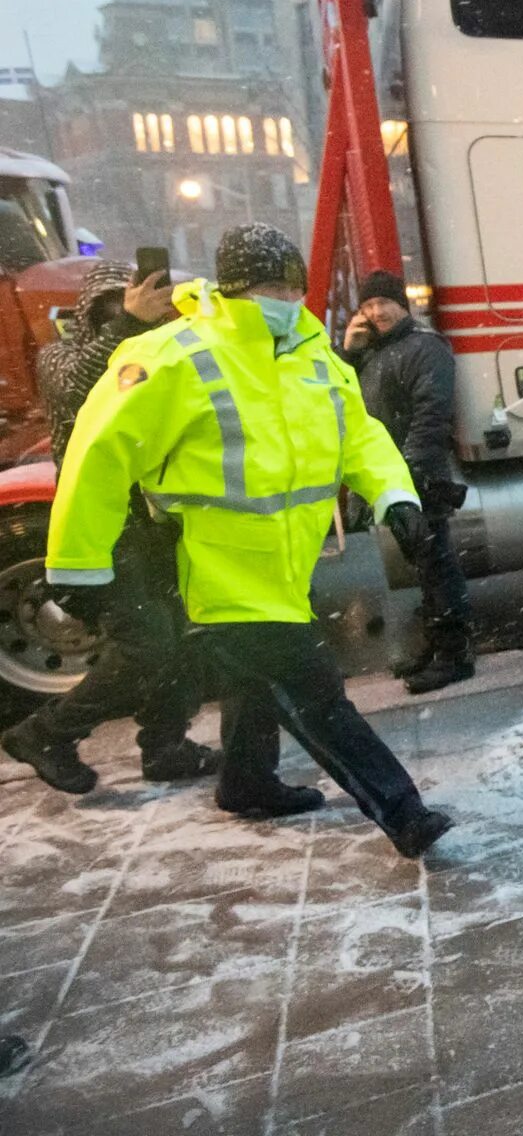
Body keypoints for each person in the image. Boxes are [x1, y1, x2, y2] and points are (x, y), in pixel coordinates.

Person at [46, 224, 454, 859]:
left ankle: (245, 783)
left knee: (256, 683)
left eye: (292, 285)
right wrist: (77, 562)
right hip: (218, 574)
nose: (285, 297)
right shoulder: (172, 355)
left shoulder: (312, 353)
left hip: (287, 571)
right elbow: (98, 453)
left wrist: (394, 494)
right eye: (271, 286)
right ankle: (403, 813)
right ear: (233, 287)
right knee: (315, 692)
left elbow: (360, 435)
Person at [0, 260, 216, 794]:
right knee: (144, 642)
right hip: (103, 522)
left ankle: (165, 744)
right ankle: (45, 733)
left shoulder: (156, 347)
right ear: (90, 311)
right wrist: (127, 322)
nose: (126, 309)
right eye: (108, 304)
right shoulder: (60, 356)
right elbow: (80, 394)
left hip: (154, 516)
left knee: (180, 634)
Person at [341, 269, 473, 694]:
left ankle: (454, 655)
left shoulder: (424, 347)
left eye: (385, 302)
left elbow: (430, 416)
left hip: (419, 479)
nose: (377, 311)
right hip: (398, 481)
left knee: (438, 567)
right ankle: (437, 648)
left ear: (404, 304)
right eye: (369, 304)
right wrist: (348, 353)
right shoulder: (374, 353)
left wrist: (408, 477)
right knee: (425, 568)